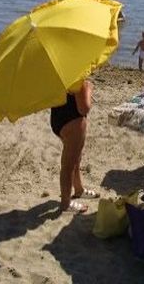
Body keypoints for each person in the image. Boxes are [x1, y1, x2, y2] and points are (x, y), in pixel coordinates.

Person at [50, 80, 96, 213]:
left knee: (75, 158)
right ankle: (66, 203)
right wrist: (88, 88)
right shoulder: (77, 77)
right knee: (68, 164)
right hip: (73, 122)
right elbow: (84, 108)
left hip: (58, 118)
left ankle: (79, 189)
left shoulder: (62, 73)